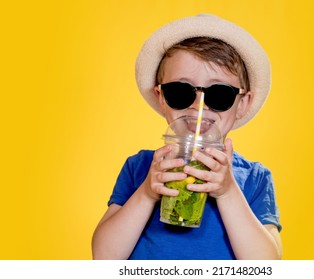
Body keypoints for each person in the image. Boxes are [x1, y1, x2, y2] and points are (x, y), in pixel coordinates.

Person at [92, 14, 282, 260]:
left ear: (242, 103)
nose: (198, 107)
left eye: (219, 95)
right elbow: (104, 257)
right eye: (180, 92)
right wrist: (147, 193)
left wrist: (227, 193)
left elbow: (266, 265)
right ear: (161, 97)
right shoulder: (139, 169)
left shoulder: (255, 179)